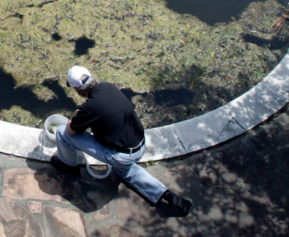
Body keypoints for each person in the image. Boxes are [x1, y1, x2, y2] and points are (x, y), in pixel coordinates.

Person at [52, 65, 192, 216]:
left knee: (61, 133)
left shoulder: (90, 107)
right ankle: (166, 195)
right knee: (125, 170)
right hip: (139, 145)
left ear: (78, 91)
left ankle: (69, 166)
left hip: (121, 155)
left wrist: (75, 116)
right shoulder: (108, 87)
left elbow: (70, 131)